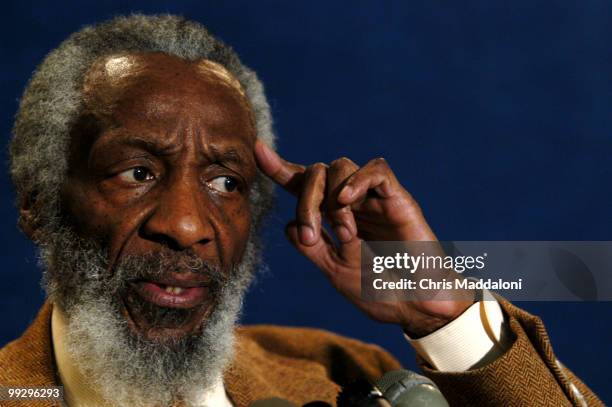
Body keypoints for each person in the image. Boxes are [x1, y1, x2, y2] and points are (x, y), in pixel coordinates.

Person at [0, 14, 602, 407]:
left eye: (224, 181)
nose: (184, 225)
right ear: (38, 203)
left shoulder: (345, 374)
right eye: (138, 173)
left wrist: (441, 314)